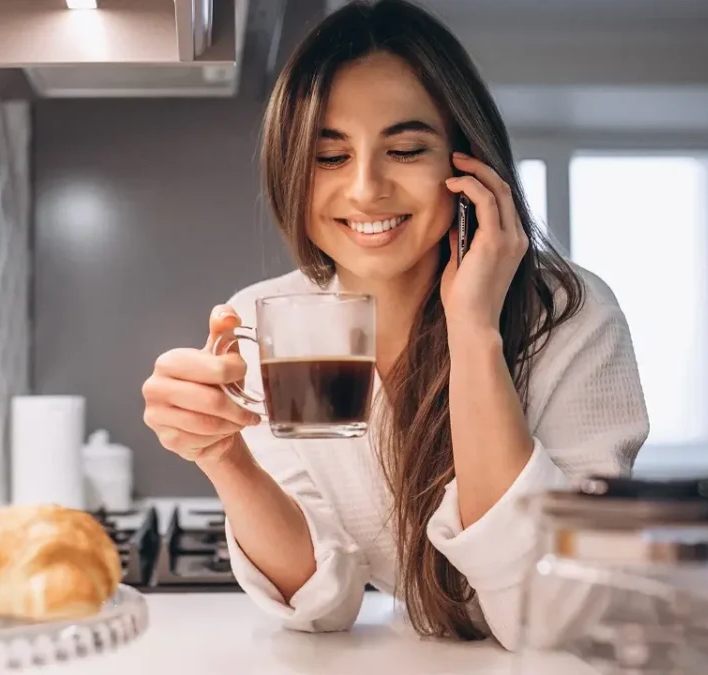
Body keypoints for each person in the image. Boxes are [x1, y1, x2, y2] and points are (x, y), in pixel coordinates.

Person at [140, 0, 649, 650]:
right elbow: (324, 599)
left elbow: (552, 612)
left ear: (467, 162)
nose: (364, 188)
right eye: (329, 156)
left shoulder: (571, 316)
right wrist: (224, 456)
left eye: (405, 149)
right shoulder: (270, 319)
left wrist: (474, 331)